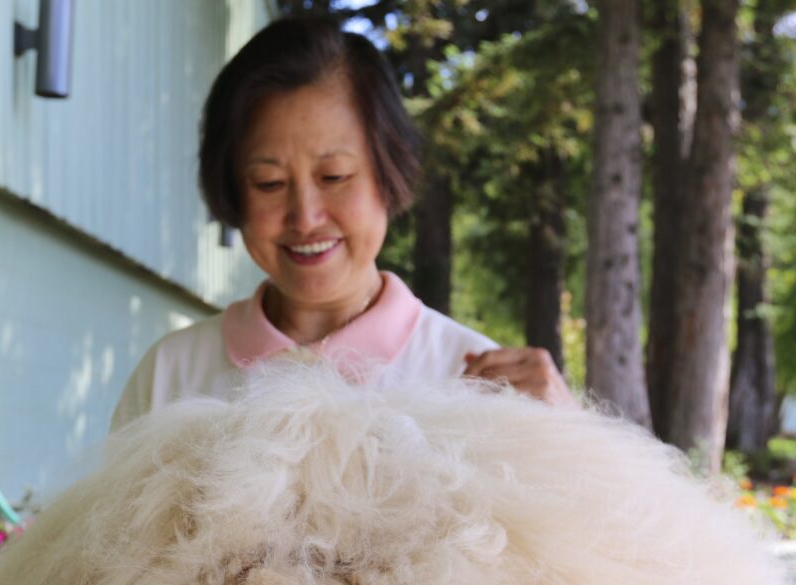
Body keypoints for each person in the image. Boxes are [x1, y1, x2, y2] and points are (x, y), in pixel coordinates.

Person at [111, 15, 574, 432]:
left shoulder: (475, 382)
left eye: (334, 176)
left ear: (390, 173)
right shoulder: (170, 377)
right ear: (231, 189)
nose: (306, 217)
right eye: (269, 183)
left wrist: (568, 440)